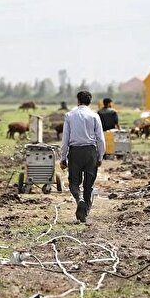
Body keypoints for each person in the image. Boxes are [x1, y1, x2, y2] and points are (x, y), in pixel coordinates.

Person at [60, 91, 106, 223]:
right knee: (88, 185)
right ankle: (84, 212)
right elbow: (100, 139)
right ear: (90, 102)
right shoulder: (94, 116)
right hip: (91, 152)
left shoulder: (70, 115)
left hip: (75, 152)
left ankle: (79, 199)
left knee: (74, 182)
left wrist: (63, 157)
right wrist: (100, 156)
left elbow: (65, 139)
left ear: (78, 101)